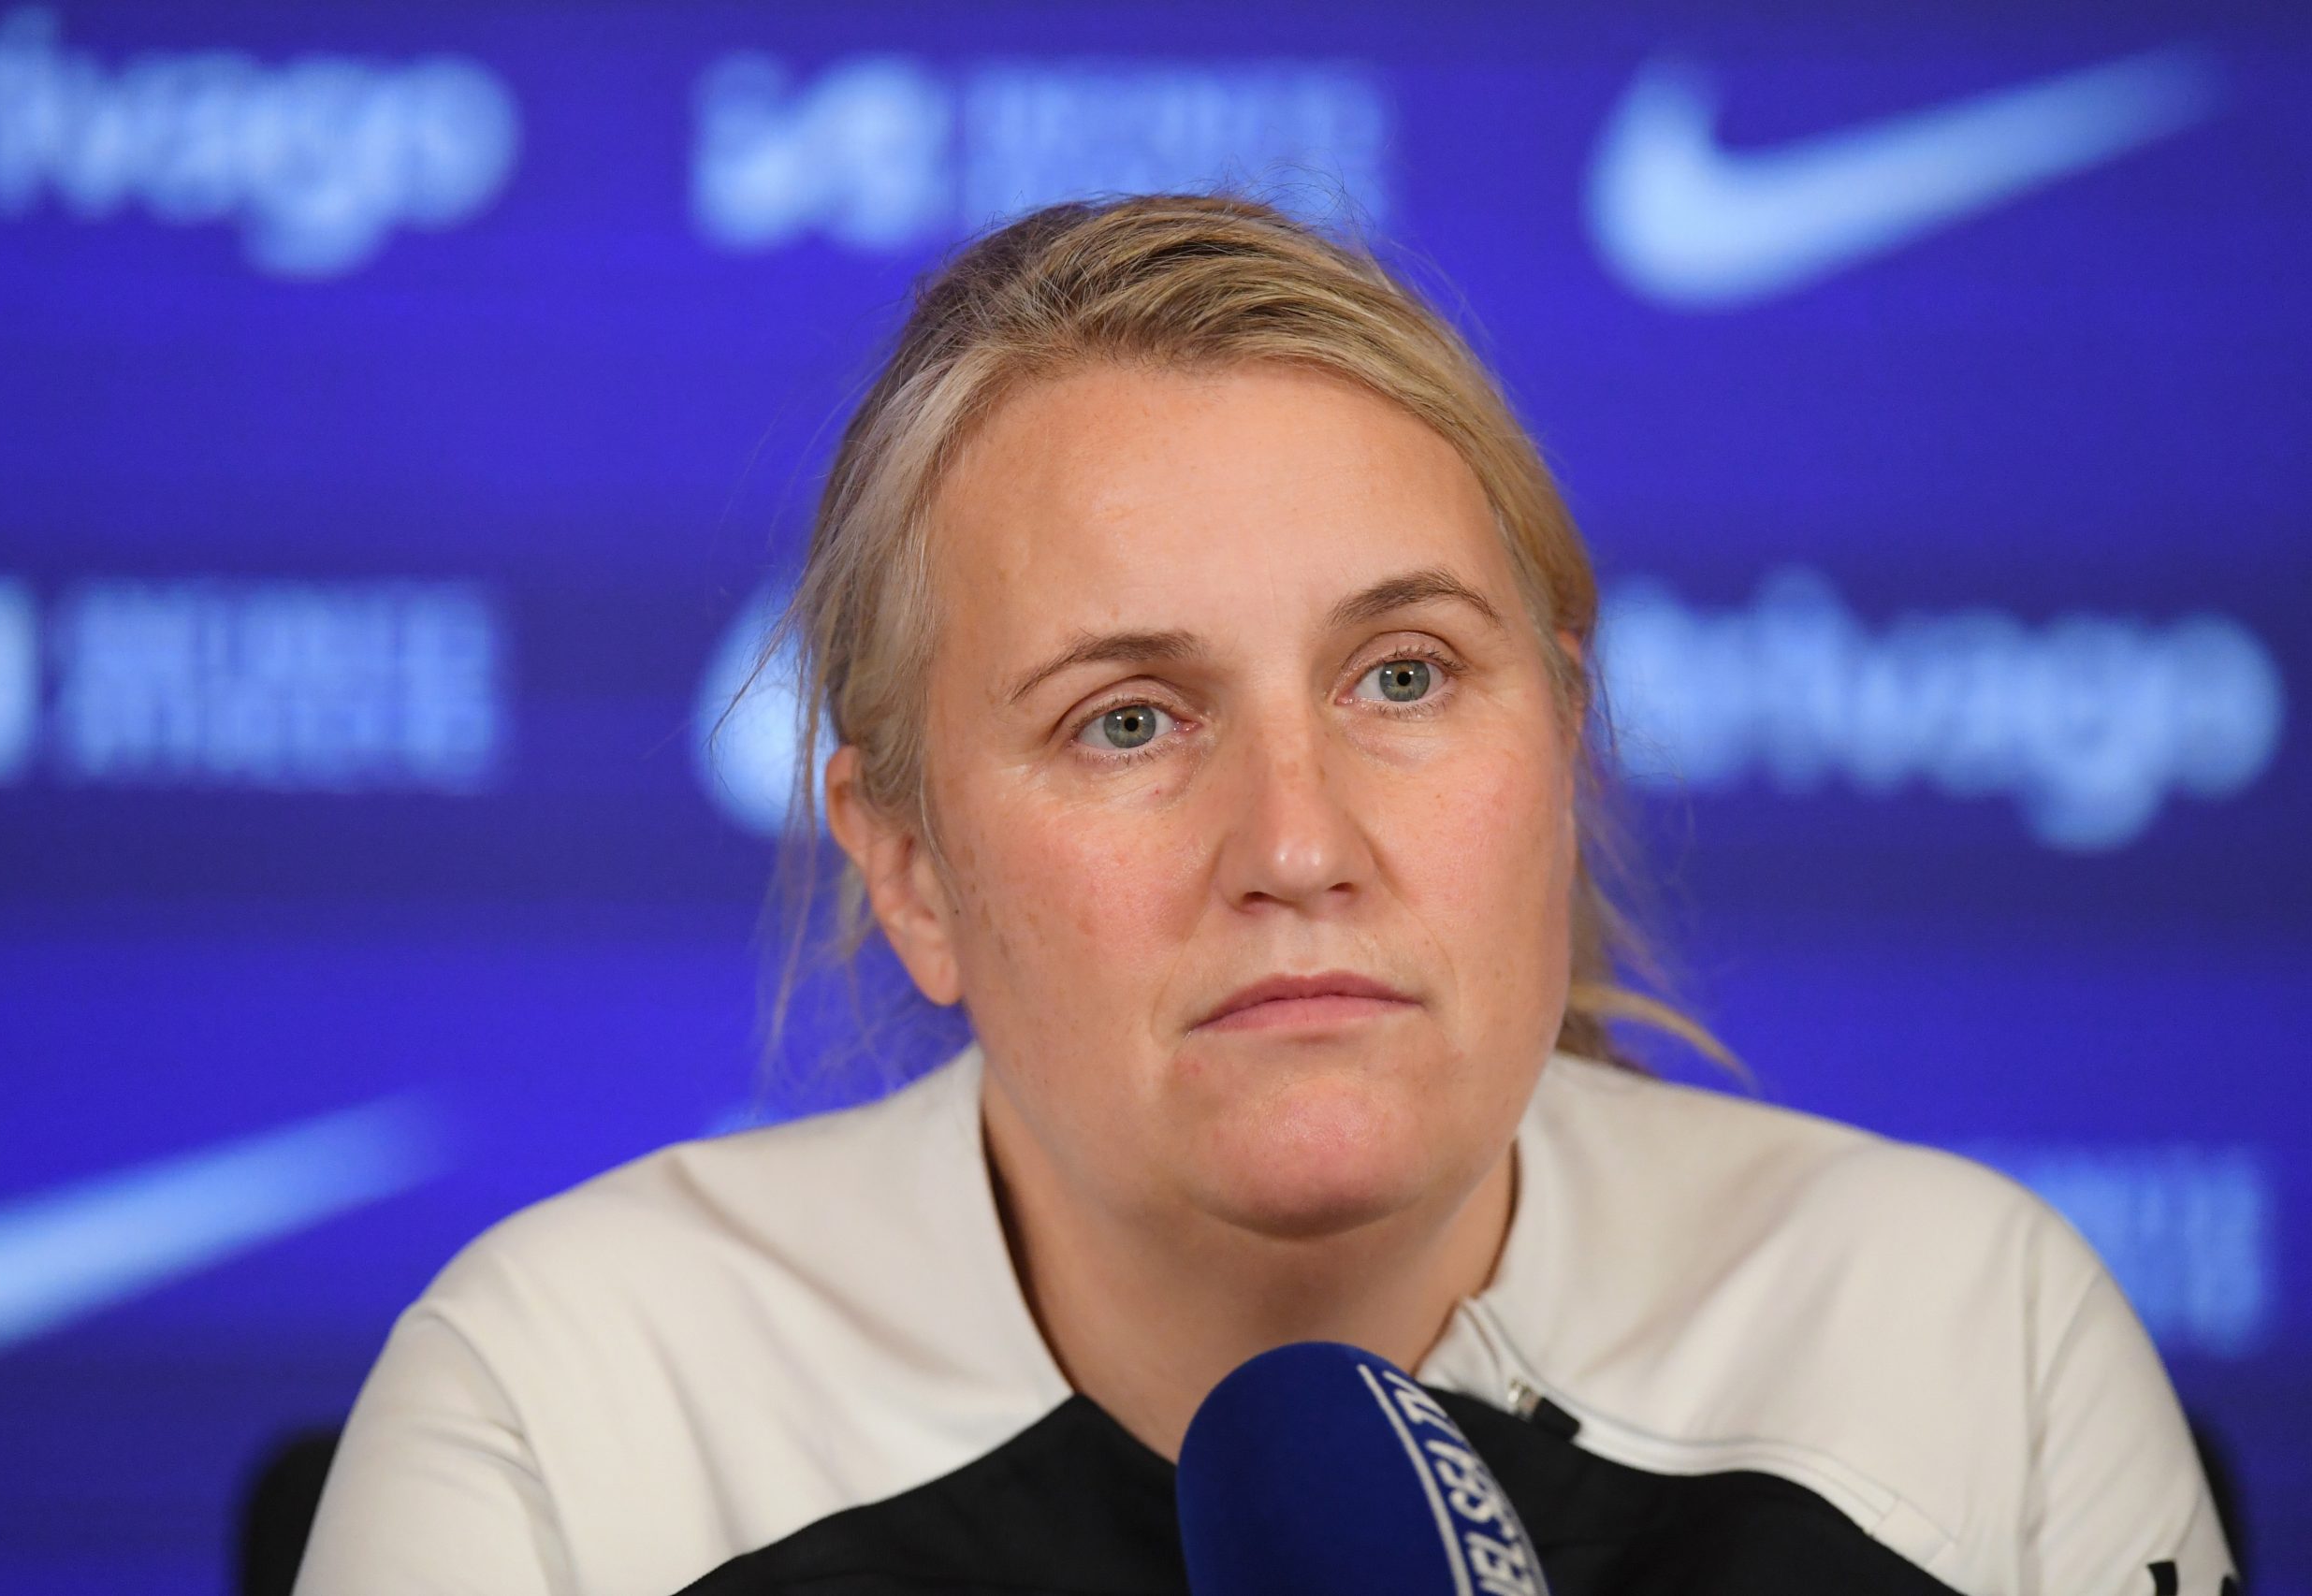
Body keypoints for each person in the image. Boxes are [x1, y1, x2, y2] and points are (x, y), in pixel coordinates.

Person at [292, 194, 2237, 1596]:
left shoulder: (1963, 1335)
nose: (1295, 842)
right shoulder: (572, 1407)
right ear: (908, 862)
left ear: (1557, 742)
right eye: (1127, 719)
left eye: (1401, 677)